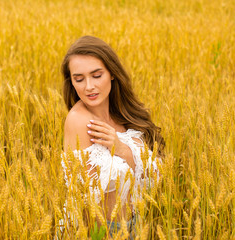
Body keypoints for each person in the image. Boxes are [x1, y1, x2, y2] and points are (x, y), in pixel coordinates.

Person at [61, 36, 165, 238]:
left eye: (96, 75)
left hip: (138, 225)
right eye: (79, 79)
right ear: (71, 82)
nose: (89, 86)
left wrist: (122, 149)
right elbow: (86, 199)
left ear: (112, 74)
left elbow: (159, 174)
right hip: (106, 232)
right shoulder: (79, 121)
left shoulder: (125, 114)